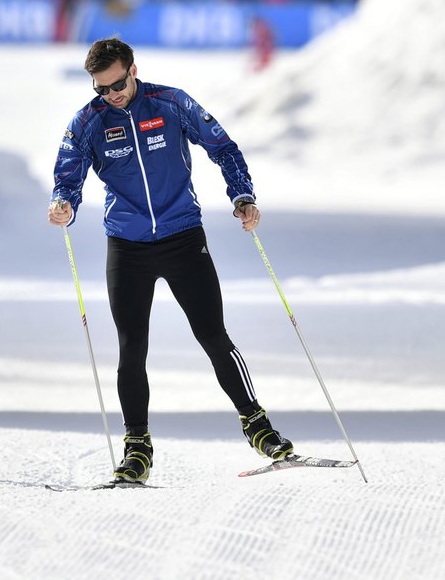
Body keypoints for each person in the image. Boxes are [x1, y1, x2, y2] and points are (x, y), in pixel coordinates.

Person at [47, 37, 292, 484]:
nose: (112, 95)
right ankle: (136, 448)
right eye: (102, 88)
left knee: (213, 336)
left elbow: (224, 147)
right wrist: (64, 202)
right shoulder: (88, 121)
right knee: (131, 349)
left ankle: (259, 428)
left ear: (133, 69)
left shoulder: (171, 102)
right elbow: (68, 173)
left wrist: (242, 194)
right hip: (127, 246)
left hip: (182, 238)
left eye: (118, 84)